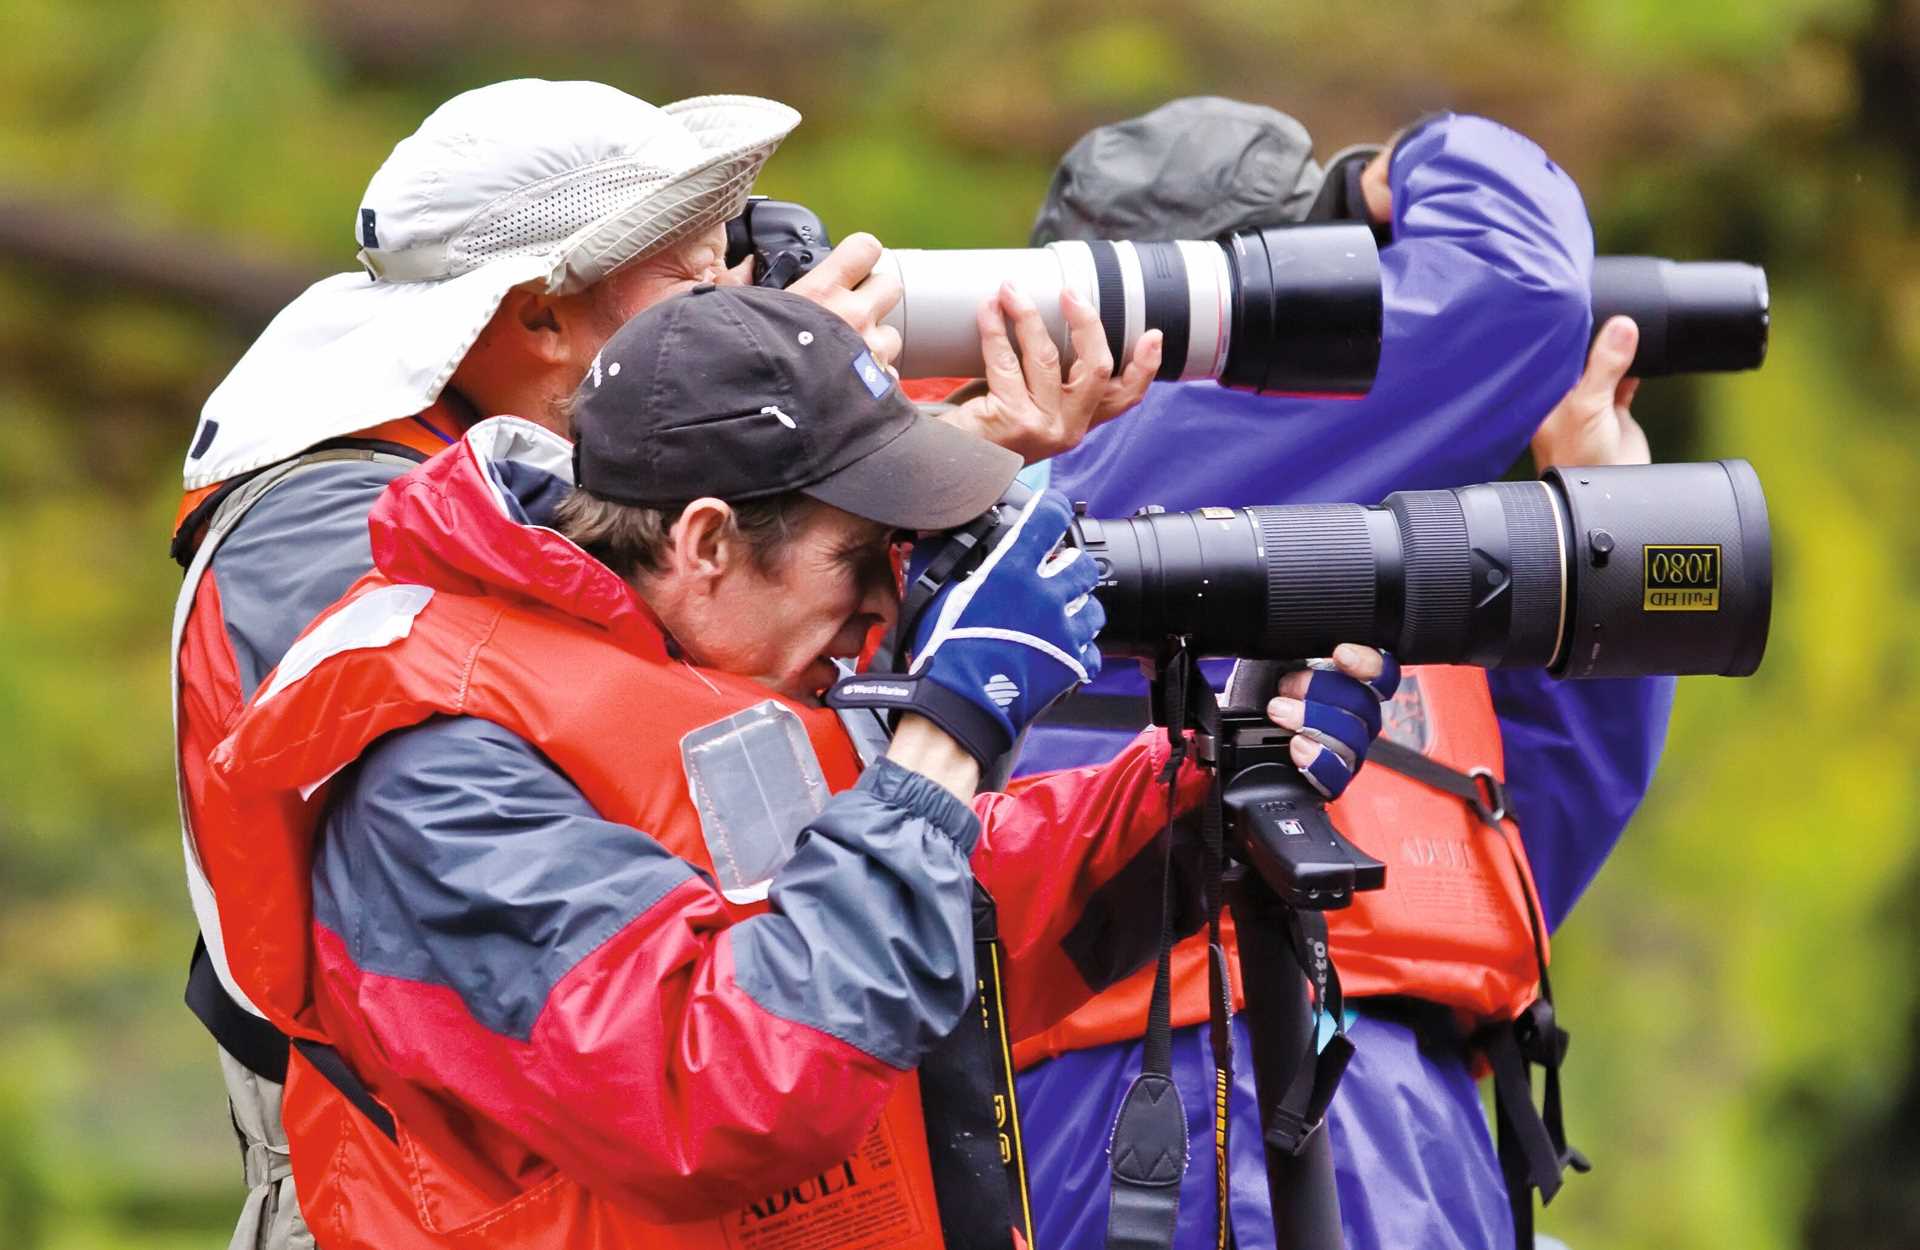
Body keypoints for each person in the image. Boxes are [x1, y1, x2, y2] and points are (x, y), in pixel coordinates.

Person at [170, 78, 1162, 1249]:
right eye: (699, 281)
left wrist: (1194, 797)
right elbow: (697, 1033)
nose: (741, 292)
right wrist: (795, 469)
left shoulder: (571, 501)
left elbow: (769, 825)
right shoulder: (335, 542)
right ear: (543, 317)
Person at [193, 284, 1390, 1248]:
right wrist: (950, 727)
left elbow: (931, 958)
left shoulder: (694, 669)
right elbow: (714, 1090)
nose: (887, 604)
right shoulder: (437, 756)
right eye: (862, 556)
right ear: (708, 539)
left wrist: (1205, 797)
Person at [1003, 99, 1674, 1250]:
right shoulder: (1103, 466)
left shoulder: (1362, 554)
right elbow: (1518, 277)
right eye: (1354, 281)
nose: (1377, 321)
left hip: (1418, 1138)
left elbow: (1534, 833)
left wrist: (1601, 524)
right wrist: (1400, 169)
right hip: (1179, 1113)